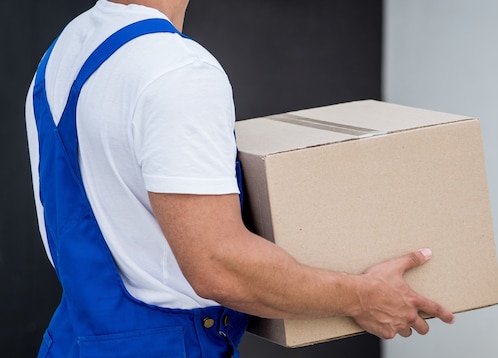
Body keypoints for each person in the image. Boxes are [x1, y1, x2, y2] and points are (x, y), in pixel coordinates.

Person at [24, 0, 455, 357]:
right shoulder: (176, 71)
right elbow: (219, 267)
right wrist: (364, 296)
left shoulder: (67, 48)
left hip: (75, 341)